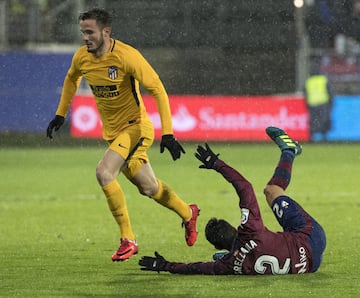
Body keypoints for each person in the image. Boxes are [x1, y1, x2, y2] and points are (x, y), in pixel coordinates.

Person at [46, 8, 200, 262]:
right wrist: (61, 114)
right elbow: (71, 79)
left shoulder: (127, 56)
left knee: (104, 172)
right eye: (83, 32)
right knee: (149, 188)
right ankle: (188, 212)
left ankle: (128, 239)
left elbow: (158, 89)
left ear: (106, 32)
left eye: (90, 32)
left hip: (136, 127)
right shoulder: (82, 57)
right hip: (114, 132)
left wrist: (169, 133)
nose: (85, 37)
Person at [139, 126, 326, 275]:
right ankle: (289, 150)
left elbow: (195, 268)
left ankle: (290, 150)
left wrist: (165, 265)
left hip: (309, 266)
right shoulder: (250, 230)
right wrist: (217, 164)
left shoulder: (227, 266)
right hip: (312, 238)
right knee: (272, 191)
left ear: (216, 246)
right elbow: (245, 187)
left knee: (257, 252)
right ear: (235, 228)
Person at [305, 72, 333, 141]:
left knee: (313, 120)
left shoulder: (309, 81)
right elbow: (330, 91)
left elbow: (305, 93)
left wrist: (307, 104)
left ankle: (311, 137)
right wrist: (331, 101)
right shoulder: (323, 79)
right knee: (324, 119)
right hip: (323, 102)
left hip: (312, 103)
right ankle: (324, 137)